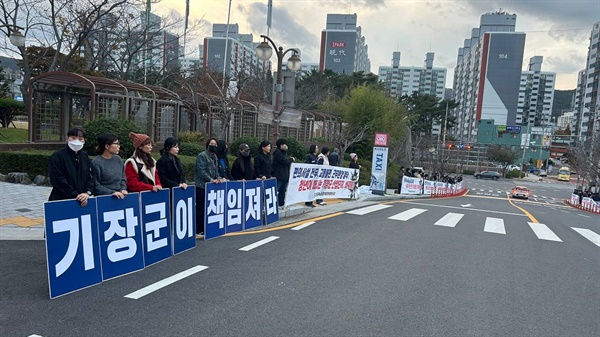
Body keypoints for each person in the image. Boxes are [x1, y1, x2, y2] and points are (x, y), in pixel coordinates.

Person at [48, 127, 95, 207]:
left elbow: (91, 176)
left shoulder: (85, 157)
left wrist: (87, 193)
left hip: (83, 201)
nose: (77, 141)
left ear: (84, 141)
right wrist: (75, 195)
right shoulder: (58, 156)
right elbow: (57, 179)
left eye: (80, 139)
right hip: (61, 200)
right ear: (67, 138)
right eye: (73, 138)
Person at [195, 137, 225, 238]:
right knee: (201, 208)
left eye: (216, 144)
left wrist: (219, 178)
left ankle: (206, 227)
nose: (214, 146)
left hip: (211, 187)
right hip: (202, 186)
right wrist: (211, 180)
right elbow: (201, 171)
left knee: (209, 207)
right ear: (208, 145)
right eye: (212, 144)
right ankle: (199, 229)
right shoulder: (202, 156)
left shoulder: (215, 157)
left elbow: (216, 171)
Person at [91, 133, 128, 198]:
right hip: (104, 197)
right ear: (107, 146)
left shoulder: (118, 159)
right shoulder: (96, 162)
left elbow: (123, 177)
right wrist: (112, 192)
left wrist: (123, 189)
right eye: (116, 144)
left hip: (120, 195)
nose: (119, 146)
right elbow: (96, 185)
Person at [271, 138, 295, 207]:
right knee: (276, 191)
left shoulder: (283, 153)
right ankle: (273, 205)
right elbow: (285, 162)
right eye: (285, 144)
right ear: (281, 145)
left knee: (282, 192)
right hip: (279, 176)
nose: (286, 146)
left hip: (284, 176)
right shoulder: (278, 153)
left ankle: (281, 204)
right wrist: (291, 159)